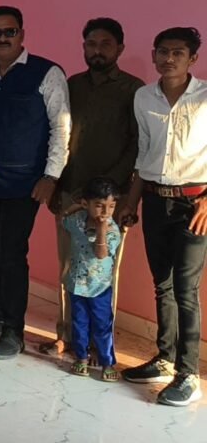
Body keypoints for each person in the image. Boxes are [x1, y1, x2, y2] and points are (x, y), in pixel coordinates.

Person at [0, 5, 70, 360]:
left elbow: (61, 127)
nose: (3, 38)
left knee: (11, 254)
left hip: (24, 183)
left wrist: (51, 176)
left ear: (22, 34)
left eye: (10, 31)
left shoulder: (47, 72)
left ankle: (13, 331)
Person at [40, 18, 143, 355]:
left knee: (104, 269)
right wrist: (56, 184)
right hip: (71, 192)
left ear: (120, 49)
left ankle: (101, 343)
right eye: (91, 44)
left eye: (105, 44)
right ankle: (67, 335)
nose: (97, 50)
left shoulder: (133, 89)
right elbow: (60, 134)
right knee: (69, 266)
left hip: (111, 199)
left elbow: (136, 144)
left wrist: (110, 189)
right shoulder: (72, 85)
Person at [119, 27, 207, 407]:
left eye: (178, 52)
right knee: (163, 284)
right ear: (154, 54)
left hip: (195, 204)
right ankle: (165, 359)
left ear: (192, 59)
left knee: (186, 289)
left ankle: (189, 374)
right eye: (163, 51)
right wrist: (130, 202)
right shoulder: (143, 97)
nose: (169, 59)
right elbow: (144, 154)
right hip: (155, 201)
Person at [62, 176, 122, 382]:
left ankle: (107, 363)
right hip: (77, 285)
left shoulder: (112, 230)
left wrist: (101, 231)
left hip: (99, 288)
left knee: (102, 325)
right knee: (79, 323)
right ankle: (81, 358)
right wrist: (76, 207)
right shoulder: (77, 221)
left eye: (111, 206)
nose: (105, 212)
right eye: (99, 205)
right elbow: (63, 218)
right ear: (86, 204)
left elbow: (101, 254)